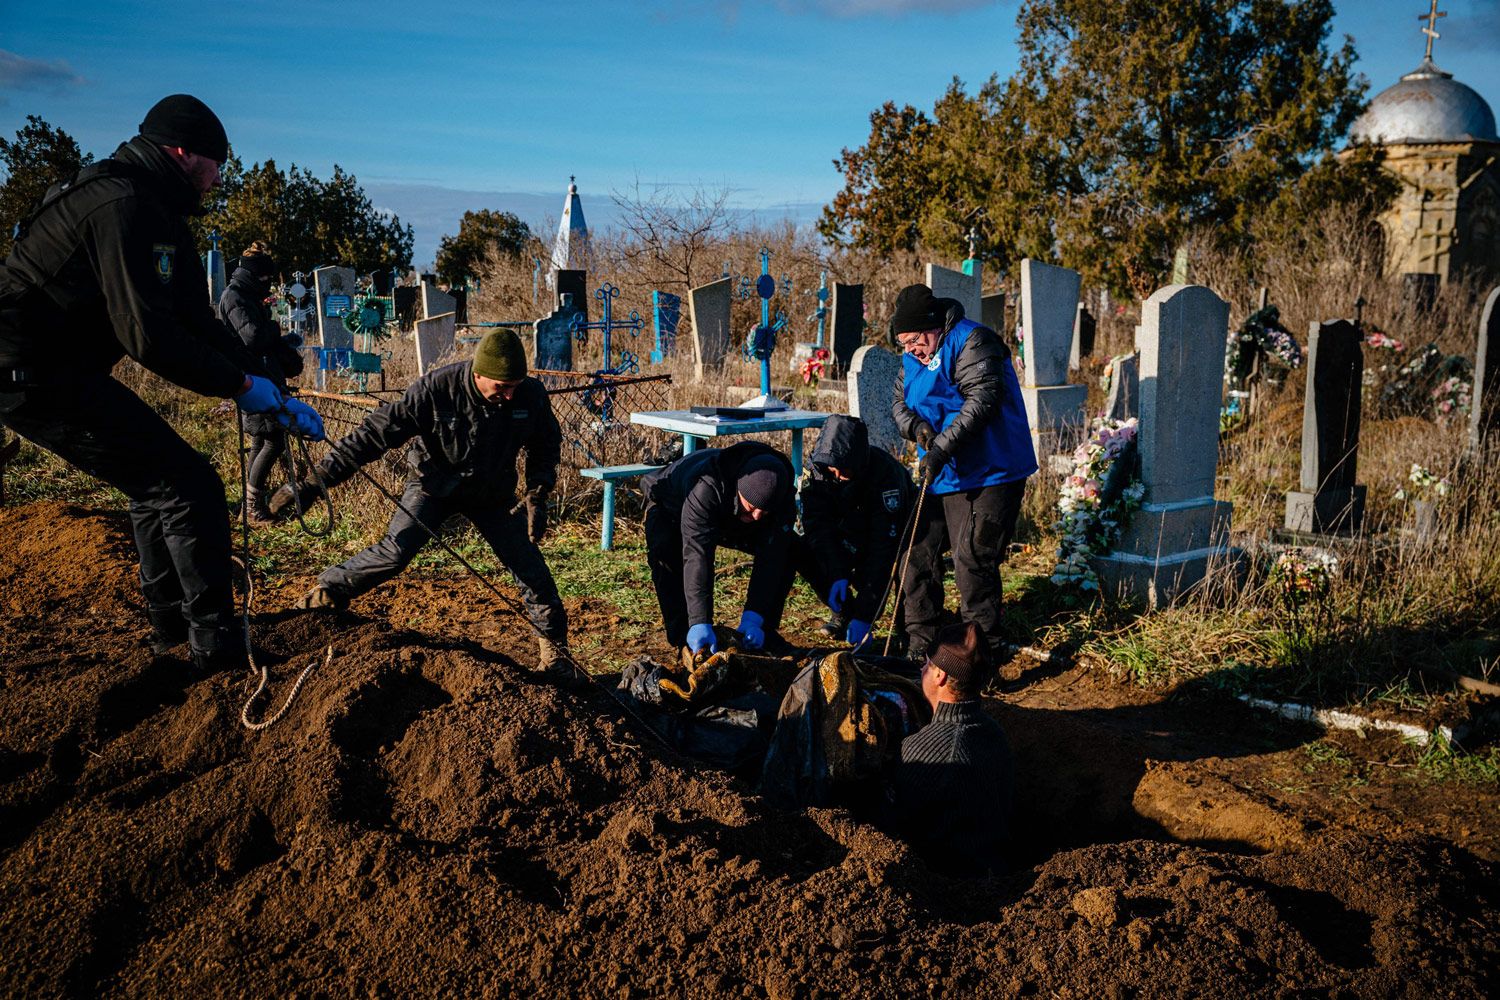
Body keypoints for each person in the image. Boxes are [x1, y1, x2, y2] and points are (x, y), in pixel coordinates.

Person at [0, 94, 323, 670]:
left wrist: (265, 382)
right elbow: (147, 335)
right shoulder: (121, 205)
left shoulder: (158, 208)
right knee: (188, 485)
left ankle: (171, 633)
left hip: (59, 368)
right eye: (216, 164)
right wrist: (238, 387)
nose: (219, 178)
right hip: (28, 371)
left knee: (159, 485)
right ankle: (214, 647)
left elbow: (195, 320)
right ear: (183, 152)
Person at [278, 329, 576, 680]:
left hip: (492, 493)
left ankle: (555, 657)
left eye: (515, 386)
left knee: (529, 567)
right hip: (432, 486)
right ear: (478, 374)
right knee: (395, 552)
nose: (509, 395)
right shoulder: (436, 389)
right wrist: (314, 484)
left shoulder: (530, 395)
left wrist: (538, 492)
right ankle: (325, 595)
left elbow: (545, 445)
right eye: (501, 387)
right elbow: (373, 435)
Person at [890, 282, 1036, 660]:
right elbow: (898, 402)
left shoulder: (973, 341)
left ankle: (981, 654)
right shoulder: (913, 357)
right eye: (904, 344)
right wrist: (916, 428)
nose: (911, 350)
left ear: (932, 326)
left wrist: (940, 447)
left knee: (972, 558)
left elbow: (983, 399)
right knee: (916, 549)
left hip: (992, 469)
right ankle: (922, 640)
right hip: (945, 469)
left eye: (914, 341)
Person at [641, 442, 796, 656]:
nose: (757, 516)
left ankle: (763, 632)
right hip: (669, 505)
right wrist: (699, 620)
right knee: (667, 558)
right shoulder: (706, 488)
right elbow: (698, 555)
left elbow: (773, 555)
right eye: (752, 507)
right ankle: (687, 641)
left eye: (764, 511)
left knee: (788, 551)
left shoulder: (782, 496)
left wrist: (755, 616)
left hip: (729, 512)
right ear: (739, 491)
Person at [889, 620, 1014, 876]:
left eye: (927, 664)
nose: (921, 669)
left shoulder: (927, 749)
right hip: (997, 866)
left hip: (951, 881)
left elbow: (895, 823)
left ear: (940, 675)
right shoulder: (994, 732)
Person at [793, 414, 915, 647]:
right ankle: (844, 613)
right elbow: (818, 527)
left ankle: (907, 630)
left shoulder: (885, 475)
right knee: (807, 550)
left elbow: (883, 548)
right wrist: (836, 573)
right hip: (847, 531)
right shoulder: (818, 471)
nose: (838, 476)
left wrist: (865, 615)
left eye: (845, 470)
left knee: (907, 563)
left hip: (895, 533)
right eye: (833, 469)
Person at [217, 241, 305, 523]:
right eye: (265, 278)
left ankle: (250, 506)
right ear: (253, 275)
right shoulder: (235, 297)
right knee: (273, 440)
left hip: (260, 376)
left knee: (262, 440)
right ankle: (253, 506)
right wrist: (275, 329)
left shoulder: (248, 295)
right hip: (253, 380)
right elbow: (253, 338)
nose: (268, 284)